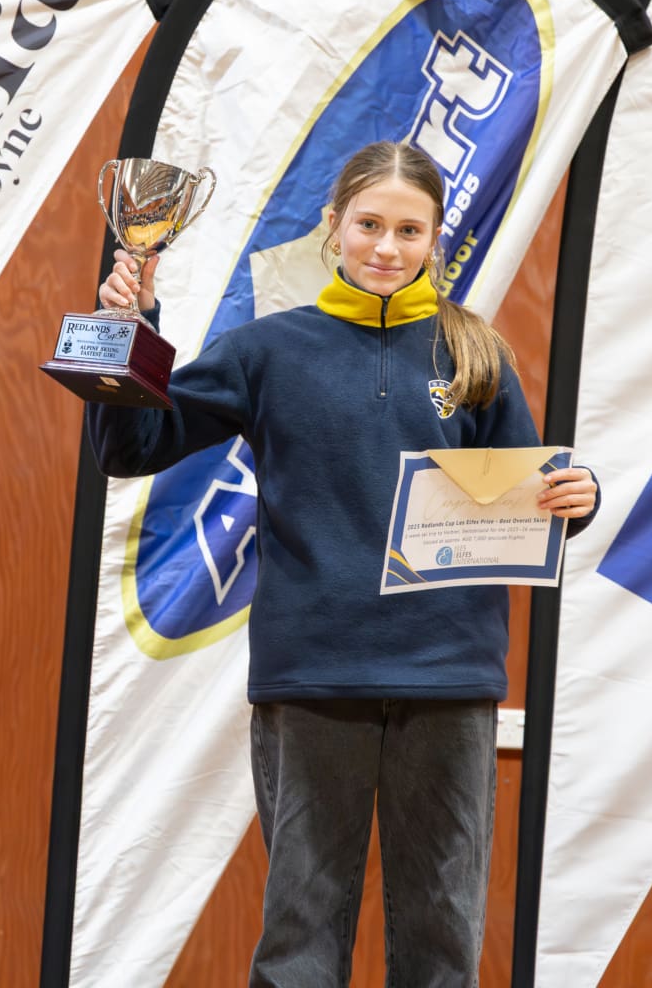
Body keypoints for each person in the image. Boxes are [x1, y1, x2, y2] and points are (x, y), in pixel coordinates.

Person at [87, 141, 599, 988]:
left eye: (409, 229)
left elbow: (526, 502)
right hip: (313, 675)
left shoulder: (475, 355)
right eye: (369, 225)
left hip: (448, 679)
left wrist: (574, 497)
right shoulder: (266, 352)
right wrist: (126, 330)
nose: (387, 247)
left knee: (443, 935)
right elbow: (135, 444)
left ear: (437, 237)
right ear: (333, 227)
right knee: (301, 935)